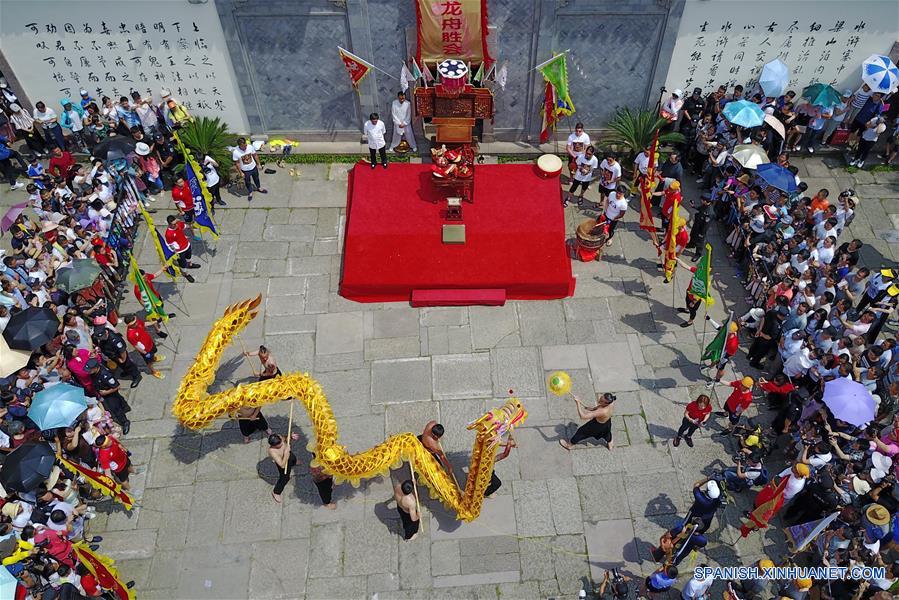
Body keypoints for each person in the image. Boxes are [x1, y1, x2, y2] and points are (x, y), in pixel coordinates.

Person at [87, 358, 131, 435]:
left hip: (110, 394)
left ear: (95, 368)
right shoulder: (93, 374)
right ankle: (125, 407)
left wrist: (106, 392)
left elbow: (117, 386)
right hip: (102, 393)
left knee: (115, 408)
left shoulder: (105, 375)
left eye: (90, 369)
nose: (88, 371)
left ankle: (124, 422)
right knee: (119, 400)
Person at [123, 314, 165, 379]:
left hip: (150, 342)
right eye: (133, 323)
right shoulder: (130, 335)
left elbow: (144, 324)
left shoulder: (137, 322)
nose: (136, 323)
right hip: (145, 350)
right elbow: (136, 346)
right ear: (129, 325)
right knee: (149, 362)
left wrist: (155, 321)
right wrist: (145, 353)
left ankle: (154, 358)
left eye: (136, 321)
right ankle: (153, 371)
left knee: (154, 352)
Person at [232, 137, 267, 201]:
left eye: (245, 145)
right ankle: (250, 192)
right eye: (243, 146)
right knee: (247, 181)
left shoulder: (250, 147)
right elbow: (237, 163)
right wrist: (241, 172)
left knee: (256, 178)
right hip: (245, 170)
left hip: (253, 167)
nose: (245, 147)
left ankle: (259, 187)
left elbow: (255, 155)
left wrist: (258, 164)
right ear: (239, 145)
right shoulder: (236, 152)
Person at [267, 433, 298, 503]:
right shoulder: (272, 451)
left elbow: (285, 438)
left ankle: (294, 462)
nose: (282, 443)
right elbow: (282, 465)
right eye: (279, 444)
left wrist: (290, 437)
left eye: (281, 441)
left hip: (289, 454)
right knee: (285, 478)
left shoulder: (279, 437)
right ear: (273, 445)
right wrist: (286, 453)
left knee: (293, 458)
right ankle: (276, 492)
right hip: (283, 461)